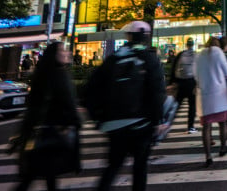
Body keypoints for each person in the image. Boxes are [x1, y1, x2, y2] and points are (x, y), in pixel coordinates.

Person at [89, 21, 165, 190]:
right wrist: (158, 119)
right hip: (141, 123)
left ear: (128, 36)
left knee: (113, 166)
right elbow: (157, 90)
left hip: (114, 123)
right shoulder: (148, 58)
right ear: (146, 37)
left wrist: (98, 116)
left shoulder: (114, 58)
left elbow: (93, 87)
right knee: (140, 168)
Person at [14, 41, 81, 191]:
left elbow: (33, 106)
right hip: (53, 131)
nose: (67, 53)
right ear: (55, 55)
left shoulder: (42, 74)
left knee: (40, 173)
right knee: (40, 173)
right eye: (62, 50)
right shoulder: (59, 74)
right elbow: (68, 101)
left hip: (40, 131)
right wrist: (76, 121)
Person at [195, 37, 227, 167]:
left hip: (204, 95)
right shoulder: (218, 52)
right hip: (218, 94)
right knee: (222, 123)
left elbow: (195, 75)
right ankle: (223, 148)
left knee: (206, 127)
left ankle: (208, 156)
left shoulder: (199, 55)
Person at [170, 37, 198, 133]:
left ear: (186, 45)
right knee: (192, 106)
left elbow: (174, 68)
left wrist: (173, 82)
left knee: (177, 104)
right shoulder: (196, 55)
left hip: (181, 82)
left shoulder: (181, 54)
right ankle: (190, 127)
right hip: (192, 82)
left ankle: (168, 123)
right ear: (193, 45)